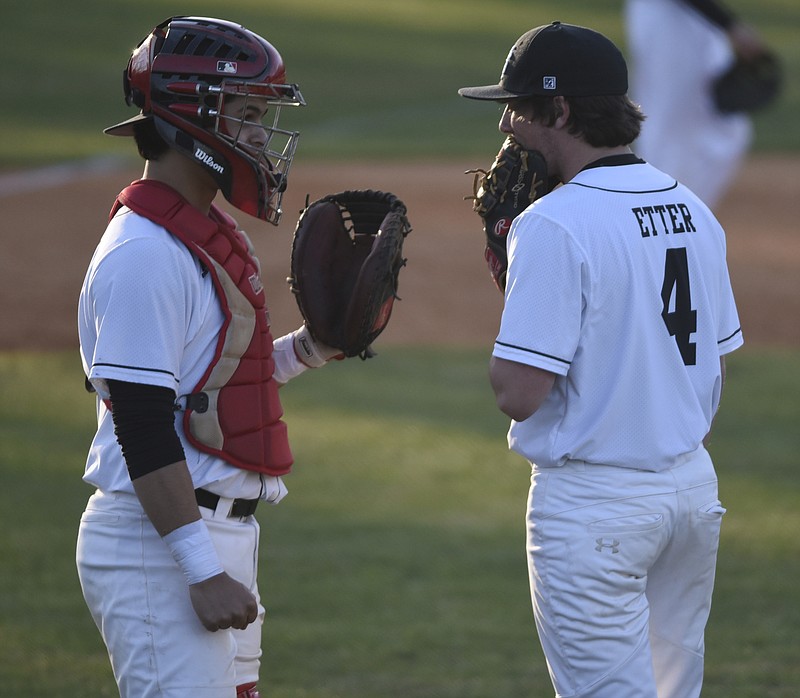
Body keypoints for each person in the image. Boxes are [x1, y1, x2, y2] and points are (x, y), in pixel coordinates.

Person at [459, 21, 743, 697]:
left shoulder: (554, 224)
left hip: (597, 509)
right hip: (691, 495)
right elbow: (713, 368)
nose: (506, 127)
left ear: (560, 111)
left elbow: (518, 392)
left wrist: (515, 274)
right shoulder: (693, 209)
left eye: (518, 107)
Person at [76, 16, 343, 698]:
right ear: (192, 114)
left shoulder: (197, 232)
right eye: (247, 113)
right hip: (162, 542)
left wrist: (312, 350)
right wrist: (199, 567)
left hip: (206, 534)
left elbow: (215, 385)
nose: (259, 134)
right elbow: (140, 422)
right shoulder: (144, 255)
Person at [625, 0, 771, 209]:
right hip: (670, 19)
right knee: (670, 125)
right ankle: (657, 208)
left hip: (692, 20)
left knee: (716, 127)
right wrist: (731, 25)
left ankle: (680, 210)